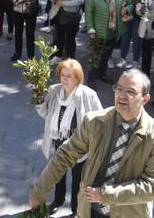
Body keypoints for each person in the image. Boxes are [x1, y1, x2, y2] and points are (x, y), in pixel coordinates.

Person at [28, 69, 154, 218]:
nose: (121, 95)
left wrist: (105, 195)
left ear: (145, 99)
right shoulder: (94, 121)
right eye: (119, 88)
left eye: (130, 91)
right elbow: (65, 155)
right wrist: (39, 193)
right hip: (89, 210)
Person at [34, 59, 103, 215]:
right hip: (59, 140)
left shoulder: (88, 95)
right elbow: (45, 114)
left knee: (78, 180)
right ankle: (57, 201)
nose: (65, 79)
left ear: (78, 78)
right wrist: (38, 101)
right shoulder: (53, 90)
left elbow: (100, 119)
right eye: (62, 75)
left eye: (69, 76)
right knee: (58, 174)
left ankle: (75, 209)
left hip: (80, 146)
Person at [84, 0, 133, 85]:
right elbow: (88, 13)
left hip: (114, 31)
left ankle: (102, 74)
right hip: (98, 32)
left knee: (106, 55)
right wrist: (90, 28)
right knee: (95, 57)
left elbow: (131, 5)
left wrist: (126, 10)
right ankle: (91, 80)